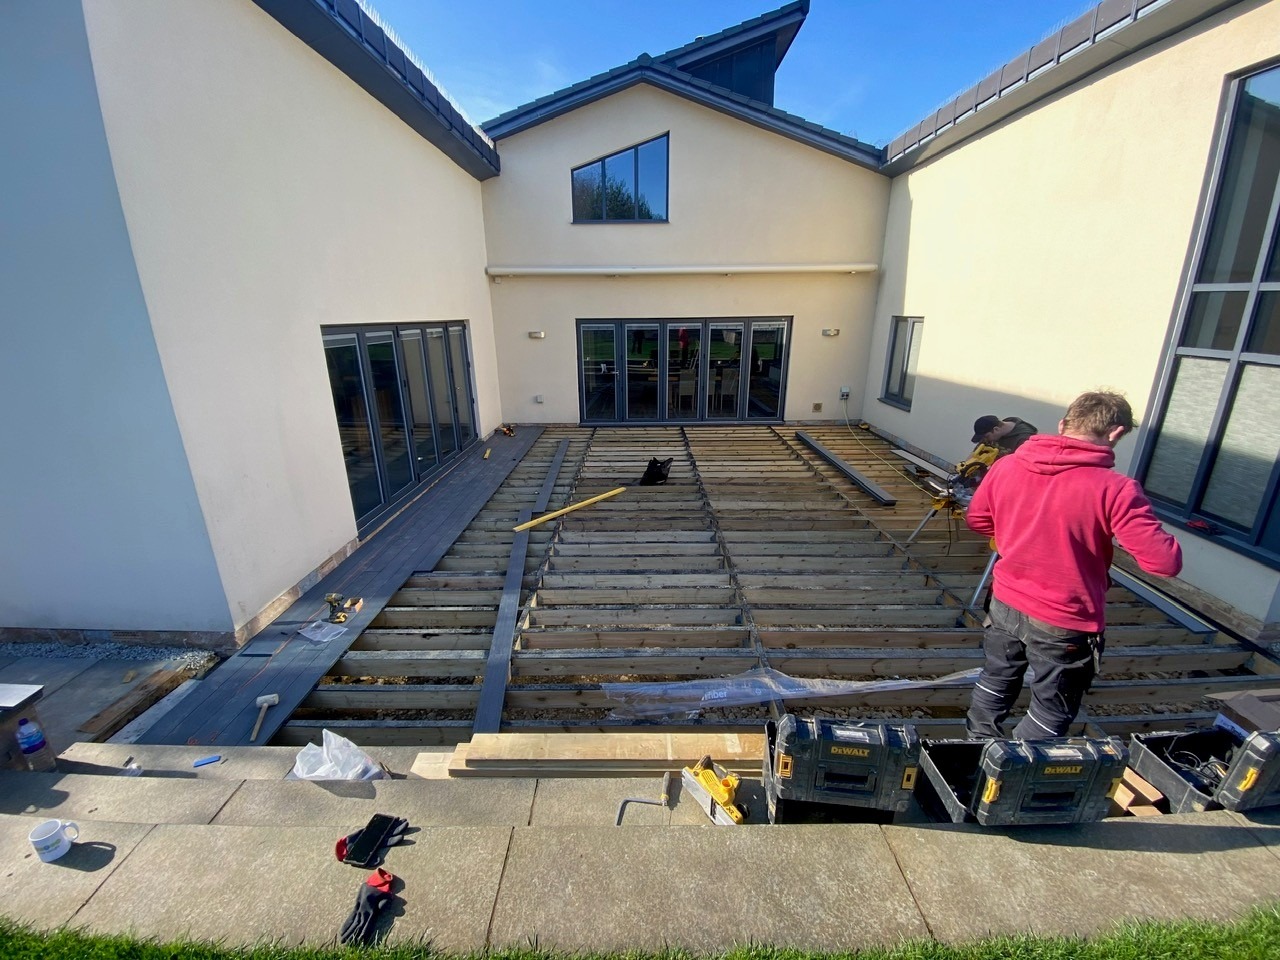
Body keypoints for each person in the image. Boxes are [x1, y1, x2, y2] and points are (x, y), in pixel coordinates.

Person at [964, 391, 1182, 740]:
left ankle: (976, 751)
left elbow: (977, 520)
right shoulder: (1116, 490)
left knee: (995, 680)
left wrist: (1019, 536)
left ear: (1064, 423)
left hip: (1005, 601)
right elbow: (1163, 562)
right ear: (1116, 432)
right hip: (1063, 617)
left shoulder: (1007, 465)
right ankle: (1012, 767)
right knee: (1050, 711)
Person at [971, 414, 1037, 455]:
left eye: (987, 436)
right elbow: (974, 454)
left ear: (996, 429)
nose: (985, 439)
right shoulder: (993, 433)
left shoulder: (1024, 440)